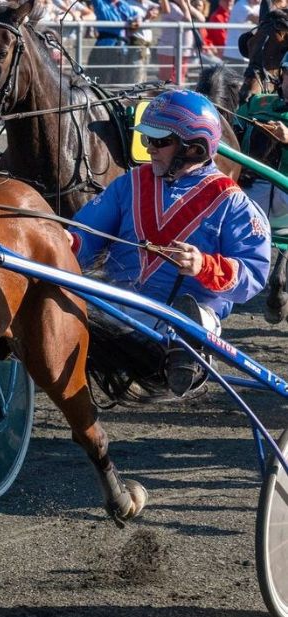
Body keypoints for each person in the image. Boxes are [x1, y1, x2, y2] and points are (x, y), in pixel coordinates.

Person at [67, 90, 270, 396]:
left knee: (193, 318)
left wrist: (204, 265)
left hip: (186, 319)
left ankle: (180, 361)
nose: (149, 149)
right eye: (146, 139)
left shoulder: (232, 202)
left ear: (194, 147)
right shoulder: (129, 184)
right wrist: (62, 241)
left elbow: (253, 274)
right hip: (118, 309)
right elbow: (86, 235)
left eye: (159, 141)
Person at [235, 51, 288, 234]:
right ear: (282, 74)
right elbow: (229, 127)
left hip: (282, 193)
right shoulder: (257, 103)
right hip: (247, 185)